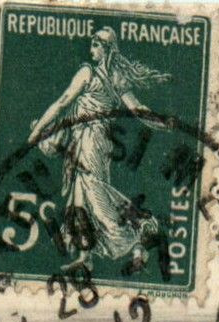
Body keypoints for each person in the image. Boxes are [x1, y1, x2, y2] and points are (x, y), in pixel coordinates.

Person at [26, 28, 167, 275]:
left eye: (95, 44)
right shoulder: (116, 77)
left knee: (94, 194)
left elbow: (62, 103)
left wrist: (37, 130)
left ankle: (136, 238)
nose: (91, 49)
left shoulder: (87, 73)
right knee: (81, 196)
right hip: (95, 141)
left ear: (105, 48)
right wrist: (159, 120)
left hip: (90, 140)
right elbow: (138, 109)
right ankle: (85, 255)